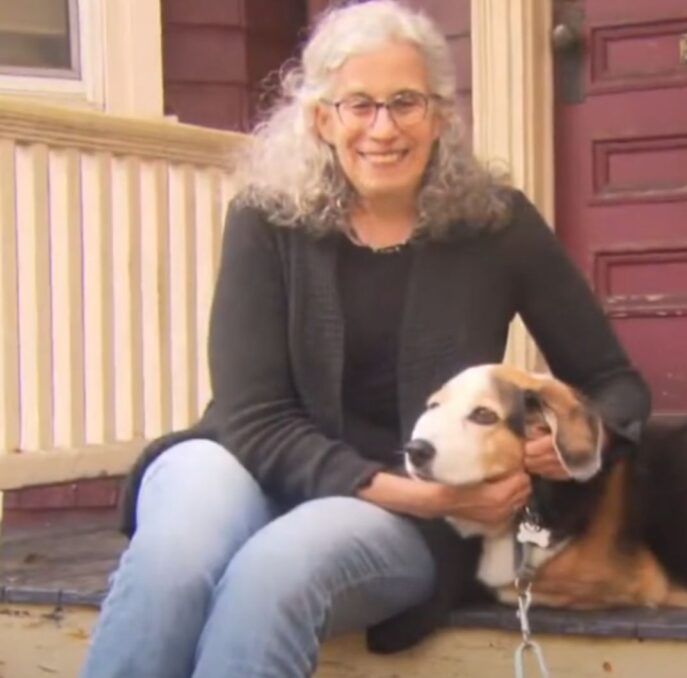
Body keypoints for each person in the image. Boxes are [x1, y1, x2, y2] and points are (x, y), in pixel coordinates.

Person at [80, 2, 650, 677]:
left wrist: (575, 444)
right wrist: (435, 496)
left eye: (405, 102)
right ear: (322, 117)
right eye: (359, 105)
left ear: (439, 114)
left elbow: (616, 384)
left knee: (274, 575)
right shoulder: (267, 218)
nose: (384, 129)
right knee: (172, 561)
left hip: (401, 521)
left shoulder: (497, 225)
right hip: (247, 461)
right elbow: (254, 418)